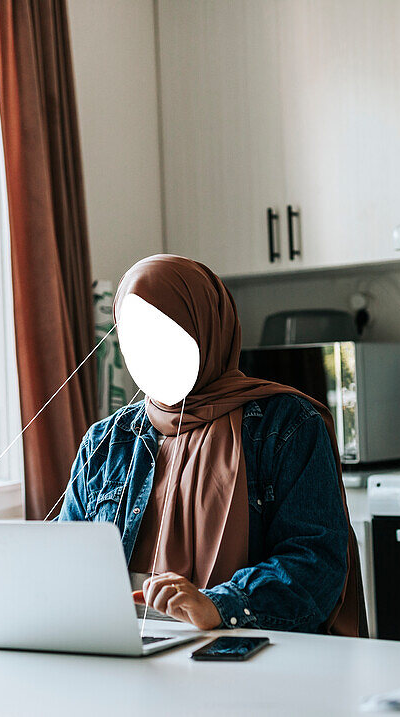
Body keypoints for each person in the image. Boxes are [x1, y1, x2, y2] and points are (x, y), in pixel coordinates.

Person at [57, 255, 366, 636]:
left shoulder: (288, 424)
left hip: (253, 650)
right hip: (123, 649)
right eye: (132, 337)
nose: (146, 351)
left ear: (207, 329)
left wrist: (220, 604)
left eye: (164, 332)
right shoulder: (107, 440)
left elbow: (315, 565)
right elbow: (65, 560)